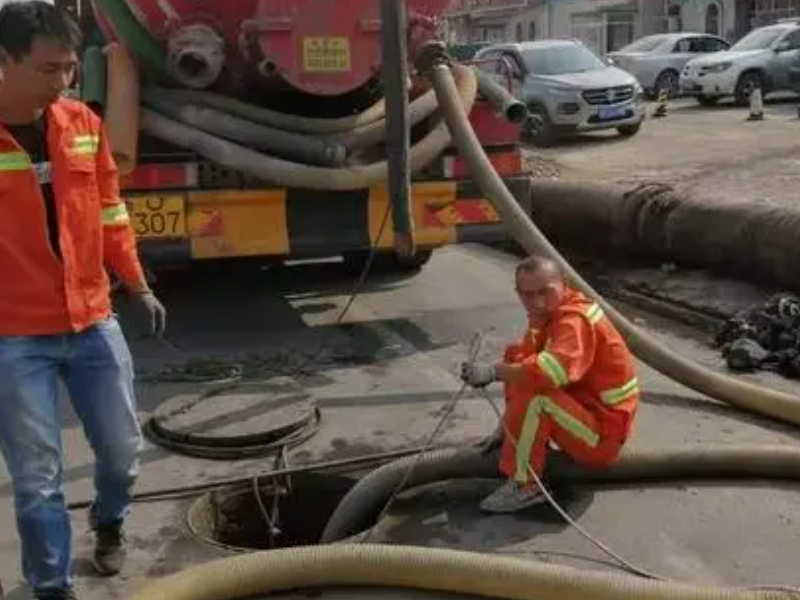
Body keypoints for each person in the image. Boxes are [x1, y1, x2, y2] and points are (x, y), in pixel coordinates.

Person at [0, 3, 166, 599]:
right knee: (37, 478)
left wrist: (138, 283)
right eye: (48, 69)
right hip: (14, 335)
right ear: (2, 62)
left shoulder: (82, 124)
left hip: (93, 318)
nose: (63, 81)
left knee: (123, 453)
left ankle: (109, 523)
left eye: (70, 67)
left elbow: (111, 214)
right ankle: (51, 587)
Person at [461, 256, 638, 514]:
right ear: (518, 293)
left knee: (538, 396)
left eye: (545, 292)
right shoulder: (545, 314)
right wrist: (505, 430)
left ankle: (526, 486)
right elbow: (524, 367)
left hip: (601, 436)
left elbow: (547, 373)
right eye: (528, 295)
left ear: (564, 285)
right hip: (583, 413)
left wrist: (492, 372)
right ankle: (522, 441)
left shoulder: (574, 320)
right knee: (517, 357)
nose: (537, 302)